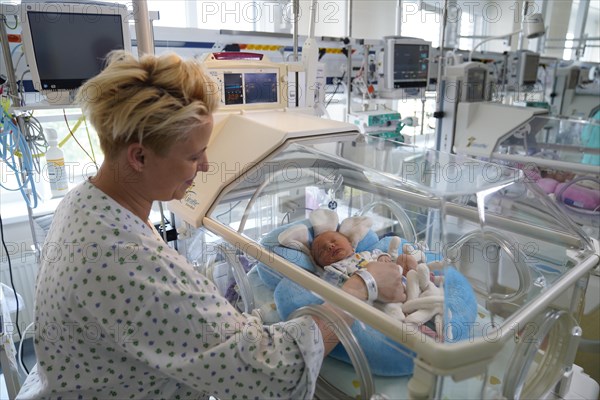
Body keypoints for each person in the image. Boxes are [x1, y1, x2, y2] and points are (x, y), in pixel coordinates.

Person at [16, 51, 405, 399]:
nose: (205, 166)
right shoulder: (122, 260)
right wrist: (362, 286)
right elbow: (271, 371)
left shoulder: (87, 202)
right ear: (138, 156)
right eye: (193, 156)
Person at [311, 230, 421, 303]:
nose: (330, 246)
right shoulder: (333, 269)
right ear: (321, 264)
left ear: (350, 243)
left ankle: (420, 283)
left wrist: (383, 257)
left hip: (397, 279)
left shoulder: (366, 253)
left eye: (334, 241)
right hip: (376, 295)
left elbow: (380, 256)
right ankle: (412, 299)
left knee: (405, 259)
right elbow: (332, 289)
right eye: (322, 251)